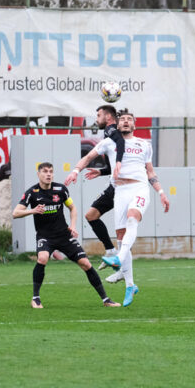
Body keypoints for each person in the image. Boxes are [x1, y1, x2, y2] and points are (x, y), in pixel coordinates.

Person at [65, 109, 170, 307]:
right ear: (117, 124)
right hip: (120, 191)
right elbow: (87, 158)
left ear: (134, 125)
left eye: (129, 119)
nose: (126, 122)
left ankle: (118, 259)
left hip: (139, 188)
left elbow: (150, 172)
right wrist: (75, 171)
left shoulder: (144, 144)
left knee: (132, 218)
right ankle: (130, 285)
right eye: (122, 119)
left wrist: (161, 192)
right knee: (121, 238)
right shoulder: (109, 142)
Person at [12, 162, 120, 309]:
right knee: (42, 258)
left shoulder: (61, 189)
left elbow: (72, 207)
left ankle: (106, 299)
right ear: (38, 174)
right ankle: (35, 298)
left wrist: (72, 226)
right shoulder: (32, 192)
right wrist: (32, 211)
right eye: (45, 171)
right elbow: (15, 213)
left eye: (51, 171)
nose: (48, 174)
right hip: (45, 236)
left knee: (86, 264)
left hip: (64, 235)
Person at [83, 105, 126, 284]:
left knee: (123, 231)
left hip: (125, 188)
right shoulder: (111, 135)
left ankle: (123, 270)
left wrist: (117, 163)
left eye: (99, 115)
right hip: (113, 187)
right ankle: (110, 250)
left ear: (108, 117)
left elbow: (121, 157)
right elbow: (115, 163)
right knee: (91, 215)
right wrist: (100, 172)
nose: (96, 119)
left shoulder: (111, 130)